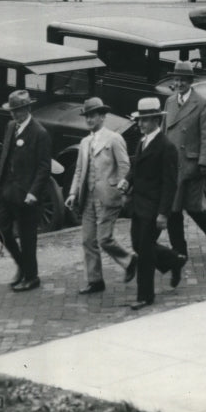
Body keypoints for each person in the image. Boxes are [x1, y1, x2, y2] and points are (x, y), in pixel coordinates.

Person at [117, 98, 185, 310]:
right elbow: (137, 167)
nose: (140, 125)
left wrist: (164, 213)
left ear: (156, 119)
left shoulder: (166, 147)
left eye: (145, 120)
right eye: (139, 120)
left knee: (145, 251)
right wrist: (127, 180)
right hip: (138, 204)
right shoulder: (142, 141)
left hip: (154, 207)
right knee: (137, 244)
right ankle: (174, 260)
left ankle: (145, 295)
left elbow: (170, 184)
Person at [65, 97, 136, 294]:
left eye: (93, 115)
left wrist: (123, 191)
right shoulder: (85, 142)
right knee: (88, 240)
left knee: (104, 239)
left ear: (102, 116)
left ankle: (129, 260)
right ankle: (95, 280)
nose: (89, 119)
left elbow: (124, 166)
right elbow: (79, 171)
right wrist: (73, 193)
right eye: (86, 116)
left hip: (108, 196)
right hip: (87, 197)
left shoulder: (114, 138)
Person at [0, 89, 52, 292]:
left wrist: (34, 193)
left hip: (27, 196)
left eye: (17, 110)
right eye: (12, 110)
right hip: (8, 191)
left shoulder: (40, 133)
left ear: (27, 109)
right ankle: (22, 266)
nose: (14, 115)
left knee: (27, 238)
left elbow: (44, 168)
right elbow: (4, 156)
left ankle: (31, 277)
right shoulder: (10, 127)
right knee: (2, 230)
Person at [162, 61, 206, 256]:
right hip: (172, 165)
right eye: (176, 79)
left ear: (190, 81)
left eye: (182, 80)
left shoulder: (203, 103)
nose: (178, 83)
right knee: (173, 209)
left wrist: (204, 162)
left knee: (193, 206)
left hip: (191, 165)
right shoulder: (170, 102)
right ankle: (179, 251)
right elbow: (164, 131)